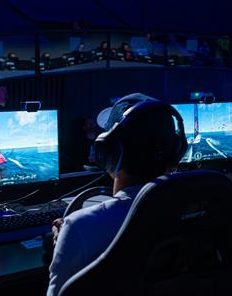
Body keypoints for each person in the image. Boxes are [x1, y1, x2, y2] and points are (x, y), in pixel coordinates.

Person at [47, 93, 186, 296]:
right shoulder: (199, 207)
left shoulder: (79, 227)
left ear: (108, 154)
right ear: (177, 151)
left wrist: (66, 244)